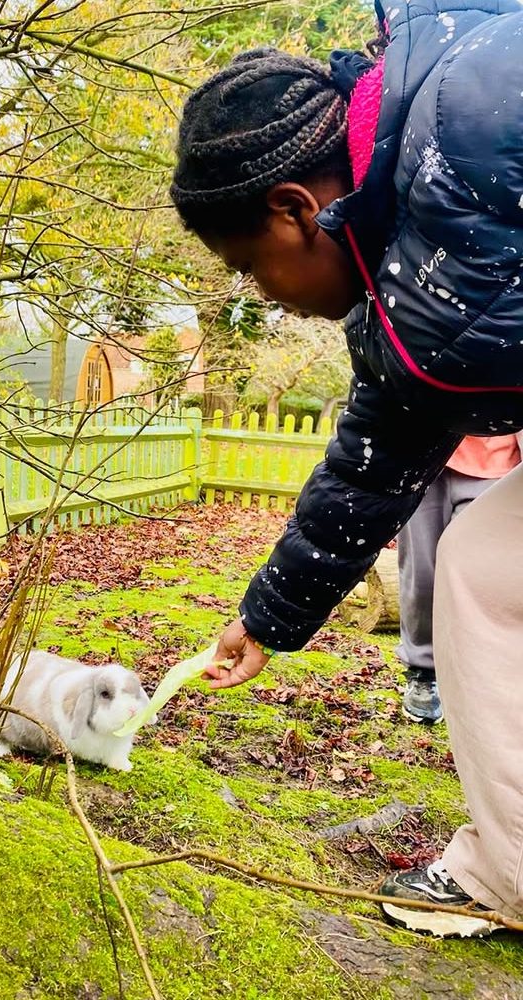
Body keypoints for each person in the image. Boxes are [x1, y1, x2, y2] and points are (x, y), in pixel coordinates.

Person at [170, 0, 523, 938]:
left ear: (294, 209)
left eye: (250, 266)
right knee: (486, 567)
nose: (263, 296)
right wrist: (266, 620)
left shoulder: (476, 112)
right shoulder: (405, 271)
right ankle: (512, 869)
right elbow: (375, 462)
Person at [398, 435, 521, 724]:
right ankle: (424, 672)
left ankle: (474, 679)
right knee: (421, 575)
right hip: (424, 459)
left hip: (497, 466)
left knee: (476, 578)